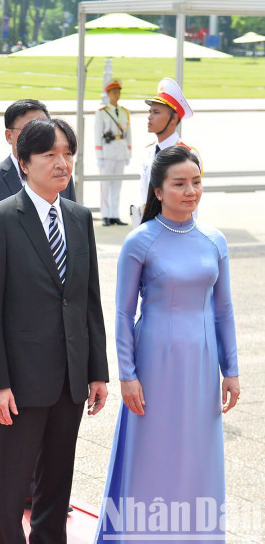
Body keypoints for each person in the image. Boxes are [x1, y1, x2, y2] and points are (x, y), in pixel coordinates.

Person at [0, 118, 109, 543]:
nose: (62, 162)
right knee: (10, 490)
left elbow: (87, 300)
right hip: (20, 382)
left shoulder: (79, 216)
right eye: (49, 154)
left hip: (70, 379)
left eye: (68, 153)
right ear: (23, 162)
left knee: (57, 483)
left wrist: (97, 371)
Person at [95, 145, 240, 542]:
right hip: (154, 361)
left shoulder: (215, 241)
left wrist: (232, 370)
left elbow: (224, 311)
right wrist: (127, 375)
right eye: (179, 183)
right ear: (158, 190)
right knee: (153, 451)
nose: (190, 190)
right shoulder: (140, 241)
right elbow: (124, 314)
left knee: (198, 452)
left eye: (196, 182)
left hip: (203, 361)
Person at [0, 98, 76, 523]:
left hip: (53, 337)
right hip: (6, 324)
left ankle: (40, 489)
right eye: (40, 141)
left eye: (63, 148)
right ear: (14, 140)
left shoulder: (63, 184)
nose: (57, 156)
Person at [132, 77, 197, 226]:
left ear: (173, 119)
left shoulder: (187, 155)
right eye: (150, 111)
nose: (149, 117)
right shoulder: (148, 152)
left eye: (156, 112)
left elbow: (191, 203)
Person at [94, 78, 131, 226]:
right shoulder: (102, 112)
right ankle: (106, 215)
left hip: (120, 151)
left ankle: (115, 214)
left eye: (118, 92)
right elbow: (97, 134)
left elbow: (128, 134)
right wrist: (99, 155)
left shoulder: (124, 112)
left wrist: (128, 152)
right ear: (108, 94)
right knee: (106, 184)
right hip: (107, 151)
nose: (117, 95)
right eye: (114, 92)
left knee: (117, 184)